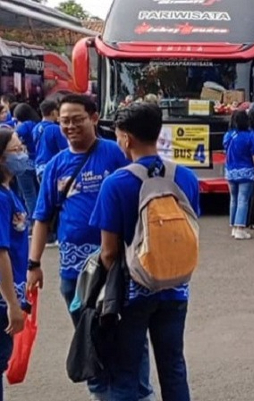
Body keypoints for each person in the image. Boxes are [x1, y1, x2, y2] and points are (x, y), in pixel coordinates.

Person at [27, 95, 153, 401]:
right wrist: (34, 264)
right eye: (64, 120)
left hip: (116, 269)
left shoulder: (115, 154)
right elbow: (42, 218)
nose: (69, 126)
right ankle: (100, 393)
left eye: (76, 119)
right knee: (90, 335)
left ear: (94, 118)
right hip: (75, 275)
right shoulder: (56, 165)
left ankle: (139, 392)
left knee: (127, 337)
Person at [90, 102, 199, 400]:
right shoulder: (186, 177)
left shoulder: (116, 183)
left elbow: (109, 252)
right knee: (174, 366)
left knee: (126, 369)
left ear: (125, 138)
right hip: (176, 287)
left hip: (133, 292)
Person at [0, 128, 30, 400]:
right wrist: (11, 304)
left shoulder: (10, 190)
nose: (23, 154)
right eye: (16, 150)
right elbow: (0, 254)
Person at [224, 110, 254, 240]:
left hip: (230, 171)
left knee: (233, 199)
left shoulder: (228, 136)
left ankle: (234, 227)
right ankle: (240, 228)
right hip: (246, 171)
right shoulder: (250, 136)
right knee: (243, 199)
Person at [12, 104, 41, 224]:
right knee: (39, 193)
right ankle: (42, 219)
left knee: (28, 194)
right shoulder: (38, 124)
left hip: (25, 163)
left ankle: (33, 221)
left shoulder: (23, 126)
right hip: (38, 163)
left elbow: (14, 137)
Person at [33, 100, 68, 182]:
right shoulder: (55, 129)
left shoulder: (35, 128)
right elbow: (65, 149)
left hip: (38, 168)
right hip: (52, 168)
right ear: (53, 112)